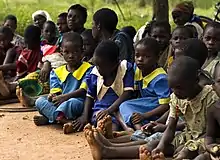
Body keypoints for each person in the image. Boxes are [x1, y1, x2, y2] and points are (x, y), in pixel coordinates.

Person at [83, 56, 219, 160]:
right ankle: (108, 150)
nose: (175, 92)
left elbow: (211, 134)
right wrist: (161, 146)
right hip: (187, 136)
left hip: (205, 139)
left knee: (185, 150)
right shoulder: (177, 97)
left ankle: (109, 148)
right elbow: (171, 127)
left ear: (195, 80)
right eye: (172, 88)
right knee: (154, 144)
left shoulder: (209, 97)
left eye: (179, 88)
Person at [68, 41, 134, 135]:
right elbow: (89, 96)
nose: (98, 69)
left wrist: (110, 110)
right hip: (101, 109)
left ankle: (113, 133)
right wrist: (84, 116)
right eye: (96, 65)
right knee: (100, 119)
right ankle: (104, 131)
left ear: (115, 64)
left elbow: (127, 93)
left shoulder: (125, 69)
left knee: (115, 119)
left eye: (101, 66)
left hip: (120, 108)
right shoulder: (94, 73)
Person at [33, 32, 93, 128]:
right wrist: (52, 97)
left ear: (82, 51)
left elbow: (83, 90)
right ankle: (64, 120)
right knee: (40, 101)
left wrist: (64, 97)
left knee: (73, 102)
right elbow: (56, 92)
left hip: (78, 102)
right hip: (61, 102)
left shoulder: (88, 69)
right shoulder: (56, 72)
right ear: (61, 52)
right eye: (67, 52)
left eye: (75, 52)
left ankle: (52, 118)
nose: (71, 56)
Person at [120, 37, 170, 130]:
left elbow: (165, 105)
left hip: (155, 106)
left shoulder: (160, 78)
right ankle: (137, 128)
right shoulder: (137, 69)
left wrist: (145, 115)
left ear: (157, 57)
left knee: (125, 106)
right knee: (123, 107)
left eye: (146, 56)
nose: (140, 59)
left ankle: (139, 130)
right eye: (137, 55)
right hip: (144, 104)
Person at [0, 25, 42, 101]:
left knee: (26, 84)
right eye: (26, 43)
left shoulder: (43, 50)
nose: (26, 46)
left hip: (37, 78)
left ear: (37, 41)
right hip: (27, 78)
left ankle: (6, 91)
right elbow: (20, 71)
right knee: (21, 85)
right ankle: (7, 90)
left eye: (28, 43)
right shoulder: (26, 52)